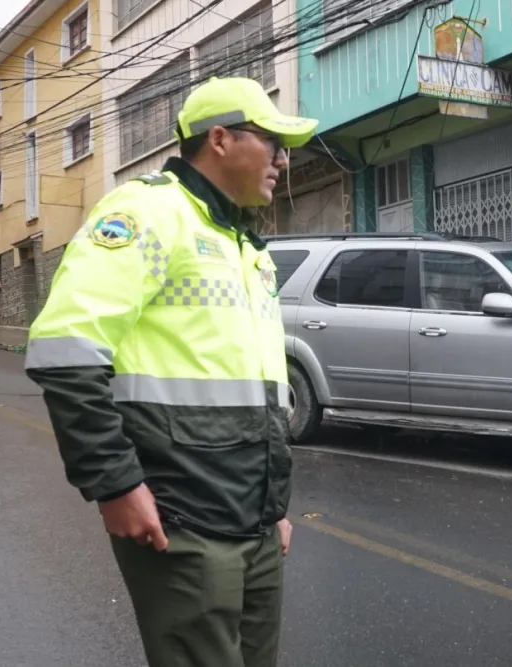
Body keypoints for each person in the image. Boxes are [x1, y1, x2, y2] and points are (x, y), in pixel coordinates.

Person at [24, 76, 319, 667]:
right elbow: (65, 349)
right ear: (220, 139)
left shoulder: (244, 246)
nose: (284, 161)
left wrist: (274, 507)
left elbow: (254, 390)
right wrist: (115, 485)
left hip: (255, 522)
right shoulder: (148, 212)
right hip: (180, 517)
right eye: (273, 143)